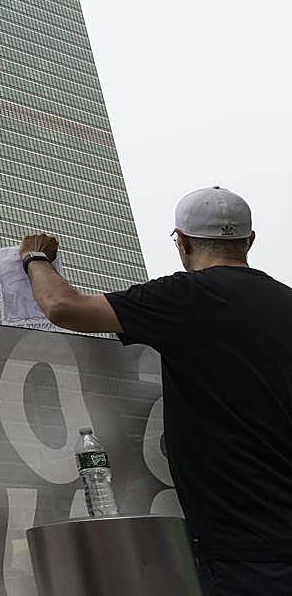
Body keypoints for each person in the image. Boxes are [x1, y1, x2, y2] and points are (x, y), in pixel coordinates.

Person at [19, 186, 292, 595]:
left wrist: (34, 258)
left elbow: (63, 307)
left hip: (244, 547)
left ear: (181, 242)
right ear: (249, 240)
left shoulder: (182, 298)